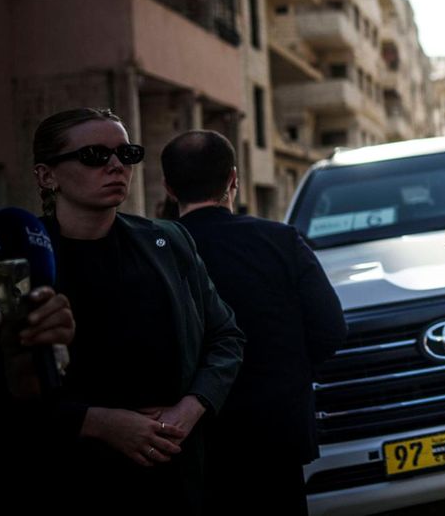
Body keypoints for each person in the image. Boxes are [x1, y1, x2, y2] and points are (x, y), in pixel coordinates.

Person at [30, 108, 243, 512]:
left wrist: (191, 406)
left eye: (125, 154)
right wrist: (97, 422)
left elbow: (226, 336)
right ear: (46, 175)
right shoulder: (23, 261)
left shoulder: (168, 241)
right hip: (73, 480)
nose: (115, 166)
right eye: (94, 155)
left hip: (174, 473)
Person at [161, 130, 345, 515]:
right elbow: (330, 327)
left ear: (168, 187)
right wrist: (287, 371)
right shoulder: (279, 239)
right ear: (233, 179)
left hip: (193, 439)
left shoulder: (155, 251)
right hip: (275, 432)